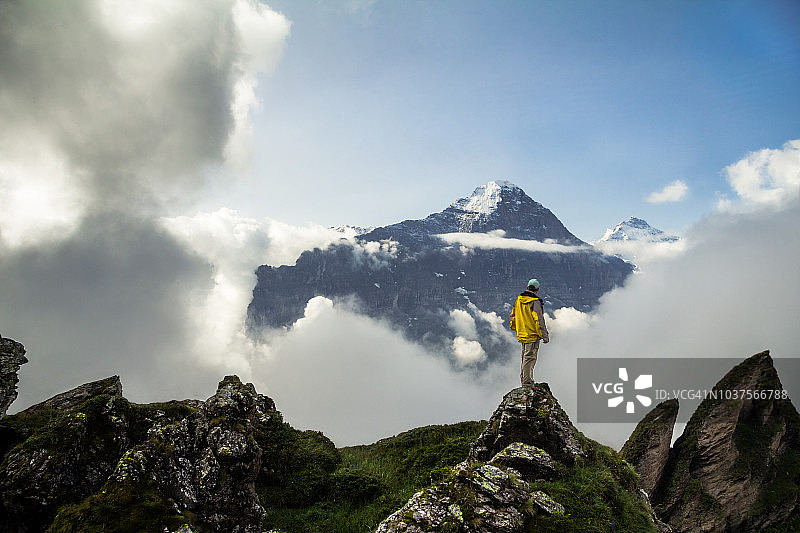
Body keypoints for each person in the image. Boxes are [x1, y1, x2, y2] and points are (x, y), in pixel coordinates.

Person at [509, 278, 549, 388]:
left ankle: (525, 380)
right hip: (532, 334)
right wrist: (544, 336)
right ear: (537, 289)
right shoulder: (535, 302)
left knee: (525, 357)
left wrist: (515, 327)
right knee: (530, 358)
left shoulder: (519, 299)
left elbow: (513, 314)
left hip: (522, 332)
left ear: (527, 287)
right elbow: (539, 319)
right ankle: (527, 383)